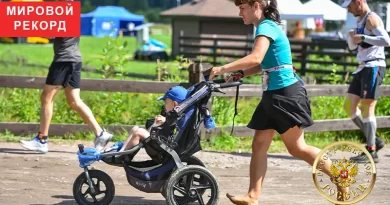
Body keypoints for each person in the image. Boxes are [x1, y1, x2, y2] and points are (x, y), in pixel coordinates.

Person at [208, 0, 347, 204]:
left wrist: (222, 68)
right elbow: (264, 63)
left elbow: (256, 57)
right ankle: (252, 196)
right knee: (259, 145)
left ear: (256, 5)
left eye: (242, 8)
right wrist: (240, 73)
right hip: (273, 95)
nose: (239, 13)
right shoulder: (265, 27)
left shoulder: (266, 26)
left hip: (285, 95)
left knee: (297, 148)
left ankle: (340, 176)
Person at [20, 2, 113, 153]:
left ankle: (41, 140)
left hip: (64, 60)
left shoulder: (64, 12)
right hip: (74, 60)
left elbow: (49, 33)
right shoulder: (70, 12)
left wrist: (29, 27)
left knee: (46, 98)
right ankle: (100, 134)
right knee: (74, 101)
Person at [105, 86, 215, 158]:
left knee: (138, 132)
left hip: (168, 150)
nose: (164, 106)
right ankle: (122, 151)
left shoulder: (182, 115)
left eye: (166, 102)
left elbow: (177, 126)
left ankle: (120, 156)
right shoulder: (181, 114)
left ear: (175, 104)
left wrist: (166, 121)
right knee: (135, 129)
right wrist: (162, 122)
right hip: (167, 145)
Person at [341, 0, 389, 163]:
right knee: (348, 106)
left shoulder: (371, 18)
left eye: (350, 7)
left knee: (367, 107)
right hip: (362, 67)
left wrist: (363, 36)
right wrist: (351, 37)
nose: (349, 11)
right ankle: (373, 139)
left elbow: (386, 40)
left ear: (359, 2)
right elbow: (353, 47)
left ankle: (371, 152)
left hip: (374, 66)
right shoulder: (359, 20)